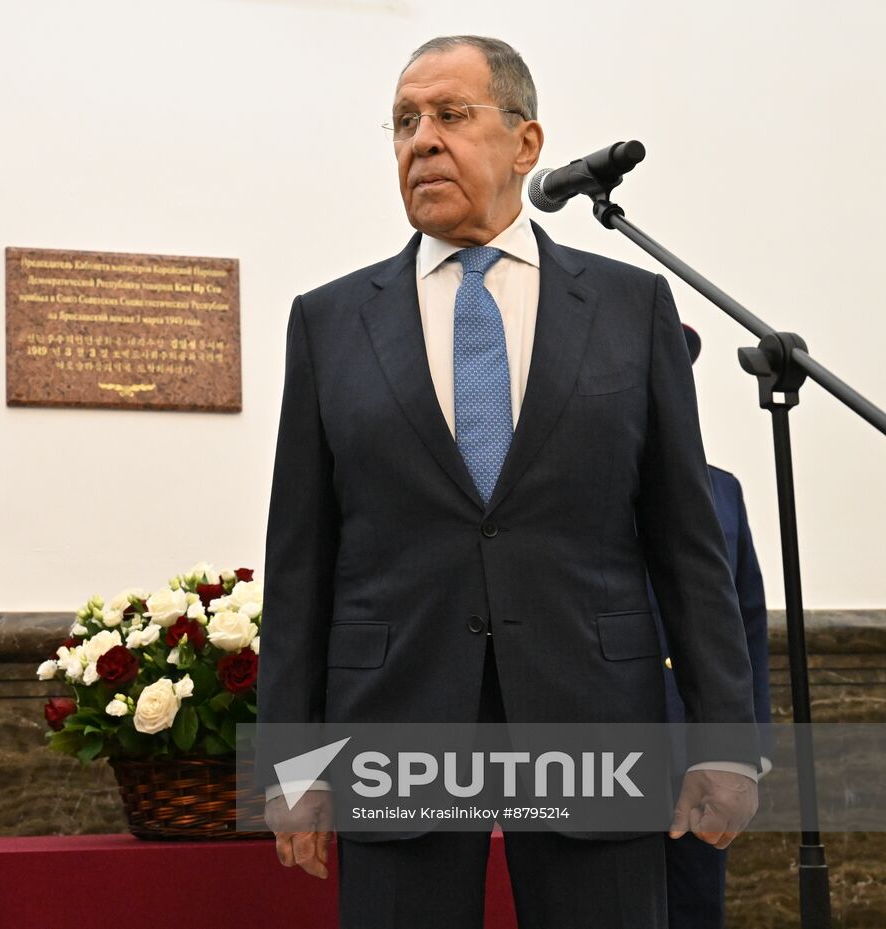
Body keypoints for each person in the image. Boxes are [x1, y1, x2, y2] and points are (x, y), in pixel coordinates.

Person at [258, 35, 759, 928]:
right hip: (397, 720)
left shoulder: (628, 308)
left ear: (525, 144)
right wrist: (292, 761)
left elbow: (687, 547)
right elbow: (301, 562)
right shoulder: (329, 322)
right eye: (405, 121)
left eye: (451, 116)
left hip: (594, 716)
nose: (421, 141)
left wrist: (726, 743)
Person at [660, 325, 774, 929]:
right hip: (591, 756)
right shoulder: (562, 487)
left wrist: (745, 753)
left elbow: (744, 628)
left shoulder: (720, 491)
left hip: (695, 760)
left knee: (694, 912)